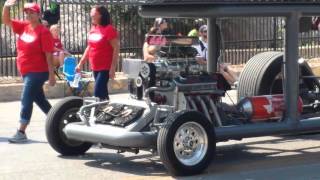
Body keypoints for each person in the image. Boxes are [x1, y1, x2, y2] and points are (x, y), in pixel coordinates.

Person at [2, 0, 56, 143]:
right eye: (27, 12)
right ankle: (58, 120)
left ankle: (21, 131)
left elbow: (48, 54)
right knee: (40, 100)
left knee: (26, 99)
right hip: (26, 71)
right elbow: (6, 20)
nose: (29, 15)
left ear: (38, 14)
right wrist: (6, 5)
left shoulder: (43, 32)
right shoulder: (23, 27)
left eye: (32, 12)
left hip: (38, 71)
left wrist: (51, 75)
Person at [75, 5, 119, 101]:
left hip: (105, 67)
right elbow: (89, 47)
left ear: (100, 15)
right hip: (95, 66)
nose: (91, 15)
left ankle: (96, 113)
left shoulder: (109, 29)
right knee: (102, 93)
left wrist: (113, 67)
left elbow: (116, 48)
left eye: (93, 13)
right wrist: (80, 63)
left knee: (97, 92)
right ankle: (108, 111)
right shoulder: (93, 29)